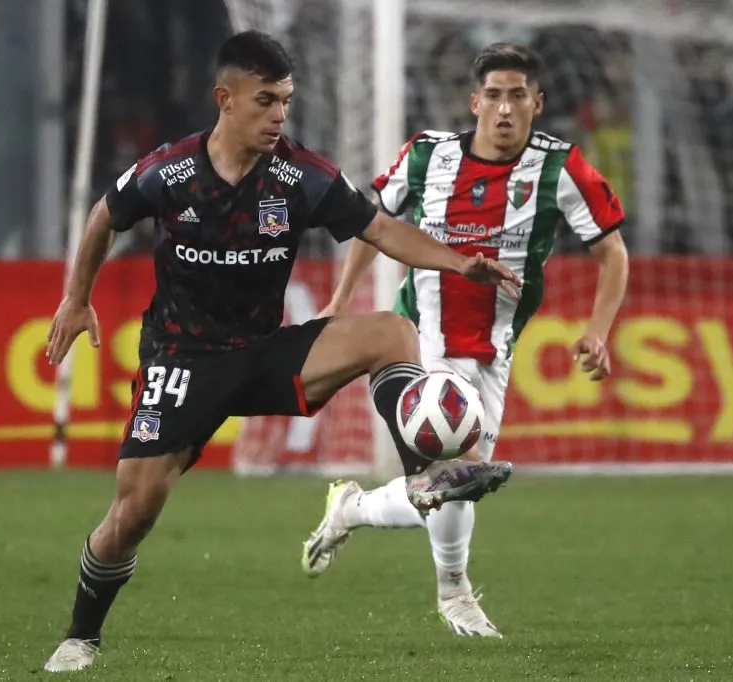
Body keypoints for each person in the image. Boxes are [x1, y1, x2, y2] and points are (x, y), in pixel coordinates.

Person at [42, 30, 521, 673]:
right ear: (226, 99)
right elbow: (105, 214)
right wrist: (76, 298)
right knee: (133, 513)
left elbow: (380, 228)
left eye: (286, 103)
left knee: (390, 332)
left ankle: (423, 474)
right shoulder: (172, 171)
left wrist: (461, 264)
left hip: (267, 351)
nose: (279, 116)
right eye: (266, 101)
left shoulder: (302, 175)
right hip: (182, 360)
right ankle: (81, 636)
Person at [301, 42, 629, 638]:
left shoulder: (562, 169)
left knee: (454, 486)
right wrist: (343, 298)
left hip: (493, 348)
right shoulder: (427, 157)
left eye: (518, 96)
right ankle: (455, 596)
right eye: (495, 96)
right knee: (457, 473)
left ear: (537, 102)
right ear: (475, 101)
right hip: (419, 340)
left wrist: (598, 331)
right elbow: (372, 224)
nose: (505, 109)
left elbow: (612, 251)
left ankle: (351, 509)